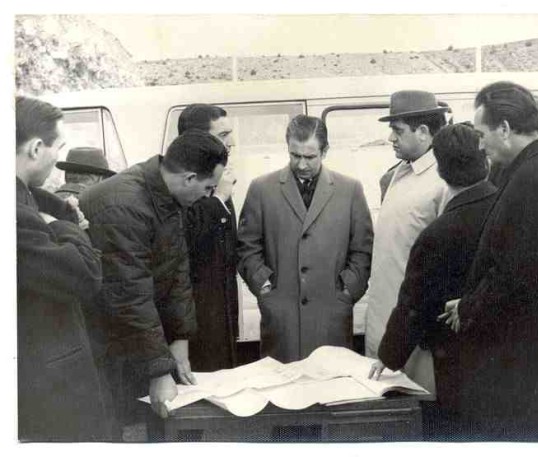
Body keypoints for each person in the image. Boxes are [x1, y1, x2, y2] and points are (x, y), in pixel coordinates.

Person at [439, 81, 538, 439]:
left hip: (522, 359)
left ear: (504, 129)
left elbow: (518, 272)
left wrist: (470, 306)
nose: (479, 143)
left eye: (481, 133)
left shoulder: (534, 178)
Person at [80, 129, 227, 426]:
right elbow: (129, 296)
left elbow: (177, 269)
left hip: (134, 339)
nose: (208, 196)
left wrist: (180, 342)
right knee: (119, 431)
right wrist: (159, 371)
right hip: (107, 346)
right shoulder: (123, 206)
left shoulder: (163, 194)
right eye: (209, 188)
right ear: (189, 179)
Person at [369, 123, 497, 437]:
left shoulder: (438, 234)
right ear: (486, 162)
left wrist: (389, 355)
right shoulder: (504, 208)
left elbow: (414, 300)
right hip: (500, 355)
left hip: (453, 360)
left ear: (439, 169)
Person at [237, 114, 373, 363]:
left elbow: (363, 250)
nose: (301, 164)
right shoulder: (261, 188)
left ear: (326, 150)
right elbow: (246, 247)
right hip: (281, 319)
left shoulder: (350, 190)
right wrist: (265, 289)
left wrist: (347, 291)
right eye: (294, 155)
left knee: (330, 389)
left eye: (309, 157)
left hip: (331, 315)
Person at [16, 96, 111, 441]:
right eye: (59, 147)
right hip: (46, 382)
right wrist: (68, 225)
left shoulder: (30, 199)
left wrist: (55, 217)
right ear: (36, 148)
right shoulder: (17, 212)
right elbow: (86, 277)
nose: (58, 159)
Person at [364, 90, 451, 393]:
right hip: (384, 327)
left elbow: (441, 267)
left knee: (416, 413)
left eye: (397, 130)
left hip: (413, 336)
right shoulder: (398, 174)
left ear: (424, 132)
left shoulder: (442, 182)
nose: (391, 138)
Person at [178, 104, 239, 371]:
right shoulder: (180, 181)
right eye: (224, 135)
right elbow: (184, 241)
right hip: (195, 319)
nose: (232, 142)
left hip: (220, 312)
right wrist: (219, 201)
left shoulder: (214, 177)